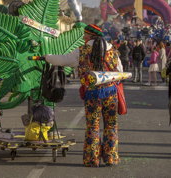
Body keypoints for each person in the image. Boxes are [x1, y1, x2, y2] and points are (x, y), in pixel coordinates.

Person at [44, 24, 123, 167]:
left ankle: (92, 159)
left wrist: (47, 57)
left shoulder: (82, 50)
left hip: (92, 94)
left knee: (93, 126)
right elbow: (120, 71)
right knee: (111, 125)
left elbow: (62, 60)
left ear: (89, 36)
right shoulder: (112, 50)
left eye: (84, 35)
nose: (83, 38)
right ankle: (111, 157)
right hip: (111, 93)